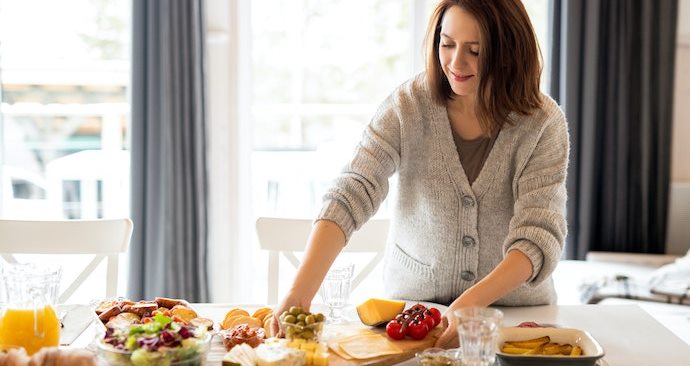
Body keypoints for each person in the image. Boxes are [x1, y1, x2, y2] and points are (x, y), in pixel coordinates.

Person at [271, 0, 568, 349]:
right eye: (447, 44)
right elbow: (354, 190)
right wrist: (300, 290)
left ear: (508, 52)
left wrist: (471, 305)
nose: (456, 63)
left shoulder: (543, 123)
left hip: (511, 320)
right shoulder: (408, 106)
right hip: (410, 314)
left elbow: (538, 235)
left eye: (475, 51)